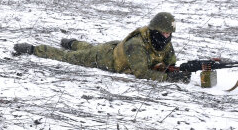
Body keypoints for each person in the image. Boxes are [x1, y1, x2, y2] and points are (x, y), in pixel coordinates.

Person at [13, 12, 190, 83]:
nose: (167, 37)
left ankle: (71, 43)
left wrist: (178, 70)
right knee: (69, 57)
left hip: (113, 48)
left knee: (87, 47)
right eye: (164, 33)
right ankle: (33, 49)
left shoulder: (162, 41)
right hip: (103, 58)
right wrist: (169, 79)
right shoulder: (137, 45)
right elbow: (141, 73)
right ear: (155, 30)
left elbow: (169, 61)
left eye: (169, 34)